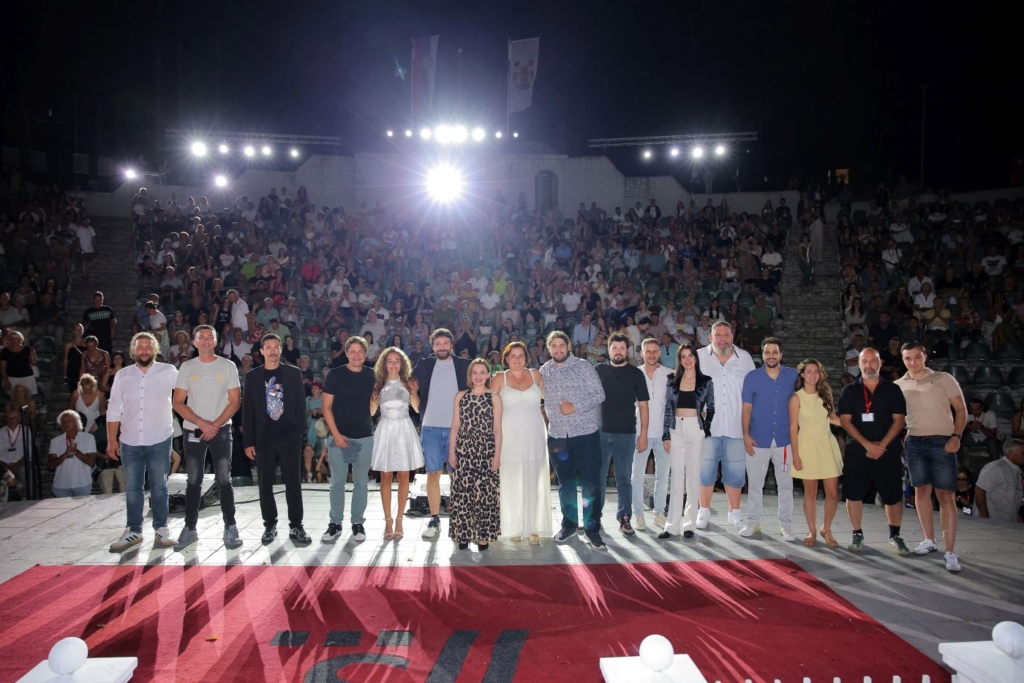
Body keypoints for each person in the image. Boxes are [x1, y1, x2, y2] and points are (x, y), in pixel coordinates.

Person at [895, 342, 968, 572]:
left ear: (925, 357)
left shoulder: (944, 378)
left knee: (946, 495)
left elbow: (961, 410)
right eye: (908, 358)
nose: (913, 362)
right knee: (920, 492)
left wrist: (956, 436)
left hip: (943, 442)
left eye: (917, 357)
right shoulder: (898, 385)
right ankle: (929, 540)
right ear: (903, 360)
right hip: (914, 443)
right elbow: (895, 418)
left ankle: (950, 551)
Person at [171, 325, 242, 551]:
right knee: (193, 480)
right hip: (194, 430)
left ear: (216, 341)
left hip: (221, 430)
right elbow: (177, 403)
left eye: (210, 337)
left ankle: (230, 527)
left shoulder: (227, 366)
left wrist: (215, 425)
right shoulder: (187, 367)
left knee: (224, 479)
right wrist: (202, 423)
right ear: (194, 342)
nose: (205, 340)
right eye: (201, 337)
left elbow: (235, 401)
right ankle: (190, 528)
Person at [106, 333, 179, 552]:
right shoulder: (123, 375)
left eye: (148, 346)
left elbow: (187, 394)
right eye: (140, 347)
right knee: (133, 488)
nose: (144, 350)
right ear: (133, 350)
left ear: (155, 350)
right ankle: (134, 530)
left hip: (159, 438)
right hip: (129, 441)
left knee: (159, 486)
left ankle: (161, 528)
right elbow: (113, 408)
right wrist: (111, 440)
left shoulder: (169, 371)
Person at [838, 348, 911, 555]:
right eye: (864, 362)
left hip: (887, 451)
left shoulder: (893, 390)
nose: (868, 365)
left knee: (893, 495)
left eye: (873, 361)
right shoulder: (849, 391)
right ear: (859, 364)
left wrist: (881, 445)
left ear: (880, 363)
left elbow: (899, 421)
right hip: (857, 450)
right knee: (853, 494)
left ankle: (895, 536)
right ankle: (857, 533)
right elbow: (845, 421)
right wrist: (868, 445)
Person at [540, 331, 608, 550]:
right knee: (566, 485)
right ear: (549, 348)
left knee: (590, 484)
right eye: (554, 346)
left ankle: (592, 528)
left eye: (562, 345)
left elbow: (599, 394)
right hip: (558, 436)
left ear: (568, 346)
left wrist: (574, 406)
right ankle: (568, 525)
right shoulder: (544, 370)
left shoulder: (583, 366)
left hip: (585, 434)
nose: (558, 349)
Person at [242, 334, 311, 546]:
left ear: (281, 350)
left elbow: (300, 405)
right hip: (264, 438)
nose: (272, 351)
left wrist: (301, 433)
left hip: (289, 436)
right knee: (264, 484)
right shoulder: (252, 377)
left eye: (276, 347)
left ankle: (296, 525)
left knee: (293, 483)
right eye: (269, 347)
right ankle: (269, 525)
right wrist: (248, 441)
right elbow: (247, 411)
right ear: (262, 351)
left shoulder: (293, 373)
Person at [490, 341, 551, 543]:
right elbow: (488, 408)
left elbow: (550, 399)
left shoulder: (536, 375)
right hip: (509, 438)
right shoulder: (499, 378)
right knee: (511, 481)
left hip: (535, 435)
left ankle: (532, 527)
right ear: (506, 359)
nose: (517, 359)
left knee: (533, 481)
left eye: (521, 355)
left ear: (526, 358)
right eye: (513, 356)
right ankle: (514, 527)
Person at [413, 329, 471, 540]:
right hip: (430, 429)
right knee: (433, 474)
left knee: (458, 476)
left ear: (452, 345)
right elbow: (409, 384)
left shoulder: (465, 365)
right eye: (438, 343)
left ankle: (460, 519)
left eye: (446, 343)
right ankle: (435, 519)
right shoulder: (423, 365)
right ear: (432, 346)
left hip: (458, 429)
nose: (442, 347)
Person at [696, 321, 755, 528]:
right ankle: (703, 512)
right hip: (707, 428)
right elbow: (689, 386)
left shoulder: (744, 358)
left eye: (726, 335)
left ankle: (734, 513)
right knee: (705, 471)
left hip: (736, 426)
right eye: (718, 335)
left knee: (736, 472)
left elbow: (752, 393)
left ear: (732, 336)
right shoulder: (698, 357)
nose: (722, 339)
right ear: (710, 337)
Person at [740, 337, 799, 540]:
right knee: (755, 485)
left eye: (775, 352)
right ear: (762, 354)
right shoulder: (752, 377)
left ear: (781, 355)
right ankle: (753, 522)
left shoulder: (793, 376)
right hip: (757, 439)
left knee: (786, 486)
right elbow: (746, 409)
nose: (771, 356)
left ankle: (786, 525)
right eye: (767, 352)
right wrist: (746, 436)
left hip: (784, 440)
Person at [320, 336, 376, 543]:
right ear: (346, 353)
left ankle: (357, 523)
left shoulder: (372, 375)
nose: (356, 355)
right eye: (352, 351)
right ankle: (335, 523)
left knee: (361, 482)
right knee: (337, 483)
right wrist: (336, 435)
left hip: (364, 436)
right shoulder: (335, 375)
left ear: (366, 354)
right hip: (339, 436)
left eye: (360, 351)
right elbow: (326, 408)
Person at [595, 332, 650, 535]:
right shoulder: (598, 370)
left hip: (626, 434)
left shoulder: (636, 374)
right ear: (608, 350)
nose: (618, 351)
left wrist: (643, 434)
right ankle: (594, 517)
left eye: (622, 348)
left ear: (627, 351)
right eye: (615, 348)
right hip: (600, 433)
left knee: (624, 478)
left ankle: (625, 518)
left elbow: (643, 406)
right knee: (598, 477)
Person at [659, 343, 715, 539]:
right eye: (683, 356)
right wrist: (666, 435)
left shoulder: (706, 381)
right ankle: (671, 526)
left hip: (695, 429)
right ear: (679, 360)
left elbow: (711, 408)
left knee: (692, 477)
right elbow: (668, 408)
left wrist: (705, 426)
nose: (687, 359)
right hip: (676, 430)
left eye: (690, 355)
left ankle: (689, 525)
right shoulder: (672, 380)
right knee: (676, 479)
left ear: (696, 358)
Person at [370, 347, 424, 541]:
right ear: (384, 364)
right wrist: (373, 394)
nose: (393, 364)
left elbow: (417, 409)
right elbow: (371, 411)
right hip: (386, 430)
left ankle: (400, 520)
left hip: (403, 430)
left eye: (397, 361)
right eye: (390, 361)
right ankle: (388, 521)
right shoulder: (379, 385)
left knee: (403, 477)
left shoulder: (408, 383)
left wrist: (415, 391)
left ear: (402, 364)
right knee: (385, 477)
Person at [448, 359, 503, 550]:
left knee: (485, 494)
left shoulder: (494, 398)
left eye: (482, 372)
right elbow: (455, 426)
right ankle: (463, 534)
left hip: (487, 451)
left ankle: (483, 537)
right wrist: (452, 453)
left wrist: (497, 456)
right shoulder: (460, 396)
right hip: (463, 451)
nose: (478, 376)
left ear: (488, 375)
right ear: (470, 376)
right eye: (474, 373)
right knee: (463, 494)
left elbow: (497, 429)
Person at [789, 359, 843, 547]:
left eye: (816, 371)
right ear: (802, 374)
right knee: (810, 493)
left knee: (833, 493)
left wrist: (856, 426)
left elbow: (833, 418)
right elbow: (792, 427)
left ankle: (826, 529)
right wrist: (795, 455)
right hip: (807, 447)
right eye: (809, 371)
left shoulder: (825, 394)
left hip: (827, 446)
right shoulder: (796, 398)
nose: (813, 375)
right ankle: (812, 531)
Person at [631, 338, 673, 531]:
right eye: (648, 351)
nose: (651, 354)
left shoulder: (670, 374)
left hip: (664, 435)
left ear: (660, 353)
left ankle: (659, 513)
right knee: (637, 477)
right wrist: (640, 433)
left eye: (655, 351)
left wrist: (669, 434)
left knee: (663, 477)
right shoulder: (634, 374)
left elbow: (673, 406)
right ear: (642, 353)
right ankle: (638, 515)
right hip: (640, 433)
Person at [48, 410, 98, 497]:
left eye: (69, 421)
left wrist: (76, 452)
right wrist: (65, 455)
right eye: (63, 422)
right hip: (61, 485)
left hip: (83, 483)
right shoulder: (55, 441)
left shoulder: (88, 438)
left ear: (76, 422)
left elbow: (91, 462)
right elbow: (50, 466)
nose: (66, 423)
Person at [974, 439, 1023, 522]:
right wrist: (984, 518)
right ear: (1011, 453)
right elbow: (979, 491)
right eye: (1022, 452)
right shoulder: (995, 468)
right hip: (993, 522)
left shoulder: (1017, 471)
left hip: (1008, 522)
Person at [0, 331, 38, 396]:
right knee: (13, 398)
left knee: (28, 397)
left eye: (16, 339)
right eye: (12, 339)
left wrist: (32, 352)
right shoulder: (5, 351)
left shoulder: (27, 349)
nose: (14, 341)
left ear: (20, 340)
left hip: (27, 377)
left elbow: (34, 363)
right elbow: (3, 368)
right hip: (11, 378)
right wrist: (6, 380)